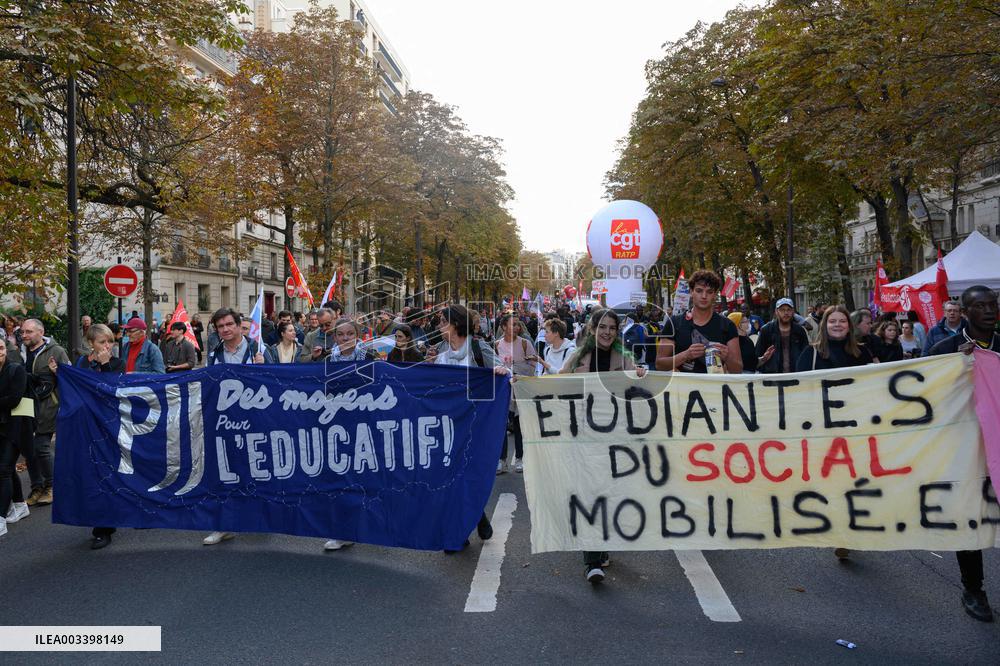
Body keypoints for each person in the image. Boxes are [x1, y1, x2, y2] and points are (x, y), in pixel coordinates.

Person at [926, 285, 998, 622]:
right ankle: (974, 588)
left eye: (992, 304)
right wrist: (960, 367)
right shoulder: (945, 350)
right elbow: (928, 397)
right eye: (979, 306)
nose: (987, 310)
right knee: (969, 515)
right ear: (964, 313)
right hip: (964, 448)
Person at [559, 308, 646, 583]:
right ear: (592, 329)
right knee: (589, 491)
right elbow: (559, 382)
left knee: (608, 493)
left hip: (615, 435)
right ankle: (591, 561)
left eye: (612, 327)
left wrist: (642, 375)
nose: (607, 332)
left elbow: (638, 387)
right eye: (602, 327)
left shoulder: (625, 358)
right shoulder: (579, 356)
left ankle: (601, 544)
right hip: (585, 435)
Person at [424, 304, 508, 552]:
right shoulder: (440, 349)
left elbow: (504, 373)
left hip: (473, 423)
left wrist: (500, 372)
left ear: (456, 325)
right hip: (446, 422)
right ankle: (468, 524)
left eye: (443, 322)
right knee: (448, 477)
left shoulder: (477, 347)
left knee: (463, 476)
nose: (439, 326)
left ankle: (463, 527)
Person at [202, 308, 266, 546]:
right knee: (224, 473)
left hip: (256, 421)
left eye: (230, 324)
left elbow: (279, 382)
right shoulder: (214, 353)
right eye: (221, 326)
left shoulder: (259, 350)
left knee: (258, 470)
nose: (226, 329)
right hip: (225, 422)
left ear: (240, 326)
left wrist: (264, 367)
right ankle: (223, 525)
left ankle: (263, 518)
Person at [73, 324, 126, 549]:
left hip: (110, 425)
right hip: (88, 423)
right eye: (102, 342)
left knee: (108, 471)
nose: (107, 346)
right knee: (92, 472)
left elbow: (113, 391)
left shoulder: (117, 363)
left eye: (110, 342)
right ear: (91, 344)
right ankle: (99, 520)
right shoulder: (83, 363)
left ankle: (104, 528)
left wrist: (105, 365)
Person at [18, 318, 68, 506]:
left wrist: (57, 373)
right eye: (23, 332)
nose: (24, 335)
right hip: (24, 406)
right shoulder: (19, 352)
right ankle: (37, 487)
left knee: (41, 446)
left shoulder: (56, 351)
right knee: (29, 449)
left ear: (41, 332)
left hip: (48, 406)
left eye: (29, 332)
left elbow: (70, 377)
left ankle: (53, 486)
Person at [655, 270, 742, 373]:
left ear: (715, 295)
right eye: (699, 291)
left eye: (709, 292)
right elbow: (659, 364)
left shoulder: (728, 325)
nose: (704, 296)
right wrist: (686, 355)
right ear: (691, 292)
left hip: (715, 387)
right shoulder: (675, 323)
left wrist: (727, 357)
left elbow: (738, 370)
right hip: (682, 387)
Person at [495, 313, 538, 474]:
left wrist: (518, 371)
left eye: (517, 325)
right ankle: (501, 460)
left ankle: (520, 458)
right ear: (503, 327)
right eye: (512, 324)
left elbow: (533, 366)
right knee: (501, 426)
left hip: (519, 390)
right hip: (502, 392)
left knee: (520, 426)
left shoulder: (525, 344)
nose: (516, 327)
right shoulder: (496, 345)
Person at [0, 341, 28, 537]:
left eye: (0, 348)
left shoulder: (15, 369)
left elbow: (15, 399)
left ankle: (0, 519)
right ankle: (19, 504)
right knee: (7, 469)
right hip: (0, 427)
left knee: (2, 470)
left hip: (15, 427)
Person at [796, 306, 873, 372]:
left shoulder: (862, 352)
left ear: (849, 326)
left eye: (842, 321)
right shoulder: (810, 353)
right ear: (825, 326)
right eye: (832, 321)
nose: (837, 324)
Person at [755, 298, 809, 374]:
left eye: (788, 309)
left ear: (793, 312)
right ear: (776, 312)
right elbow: (757, 354)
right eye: (782, 310)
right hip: (773, 377)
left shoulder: (800, 330)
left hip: (796, 375)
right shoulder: (766, 330)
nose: (786, 313)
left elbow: (806, 355)